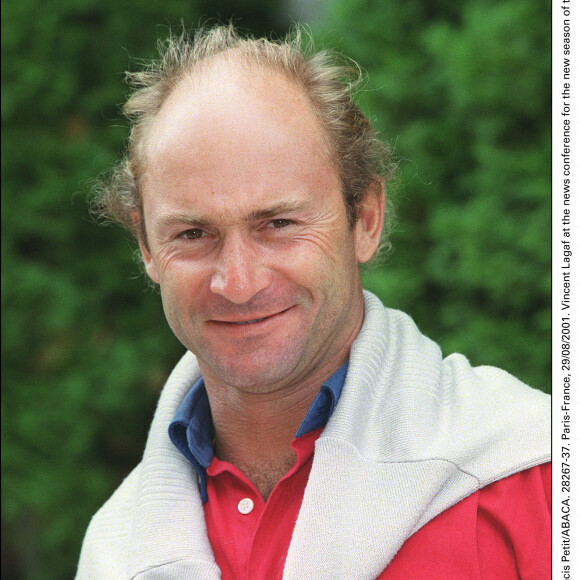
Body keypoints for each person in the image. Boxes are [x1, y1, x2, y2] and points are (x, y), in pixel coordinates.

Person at [77, 25, 550, 579]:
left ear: (366, 219)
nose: (238, 282)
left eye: (278, 224)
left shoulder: (535, 478)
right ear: (147, 248)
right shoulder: (114, 551)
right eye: (193, 234)